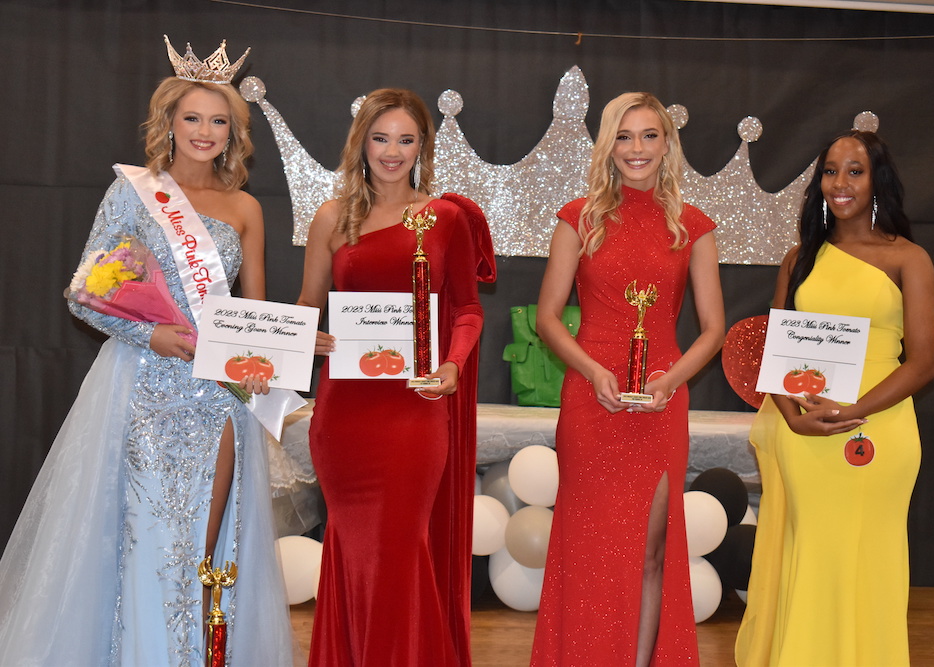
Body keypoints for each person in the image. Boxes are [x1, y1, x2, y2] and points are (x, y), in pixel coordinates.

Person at [0, 38, 297, 666]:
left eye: (219, 121)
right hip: (145, 393)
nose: (205, 131)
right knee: (148, 536)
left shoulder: (246, 208)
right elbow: (85, 294)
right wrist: (151, 334)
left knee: (205, 547)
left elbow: (253, 320)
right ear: (168, 122)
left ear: (235, 133)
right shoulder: (135, 194)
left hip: (218, 402)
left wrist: (296, 343)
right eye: (192, 117)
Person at [296, 88, 495, 666]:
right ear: (361, 142)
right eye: (381, 137)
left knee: (402, 550)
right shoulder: (332, 217)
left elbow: (468, 309)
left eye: (406, 139)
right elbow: (308, 305)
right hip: (346, 416)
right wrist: (307, 338)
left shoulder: (446, 218)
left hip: (415, 409)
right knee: (353, 551)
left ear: (422, 147)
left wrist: (454, 365)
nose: (392, 151)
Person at [530, 92, 726, 666]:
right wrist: (591, 371)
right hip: (593, 403)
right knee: (589, 550)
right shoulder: (578, 218)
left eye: (649, 136)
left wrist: (671, 379)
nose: (636, 149)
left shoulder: (692, 226)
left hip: (662, 403)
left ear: (667, 144)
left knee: (649, 551)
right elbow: (547, 317)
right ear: (607, 144)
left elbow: (713, 328)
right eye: (624, 136)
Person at [735, 130, 934, 666]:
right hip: (804, 436)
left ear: (878, 180)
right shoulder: (799, 259)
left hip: (880, 430)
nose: (840, 183)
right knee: (816, 560)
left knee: (871, 563)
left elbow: (924, 362)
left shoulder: (909, 259)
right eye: (830, 170)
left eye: (855, 170)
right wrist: (792, 419)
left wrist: (855, 410)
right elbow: (776, 355)